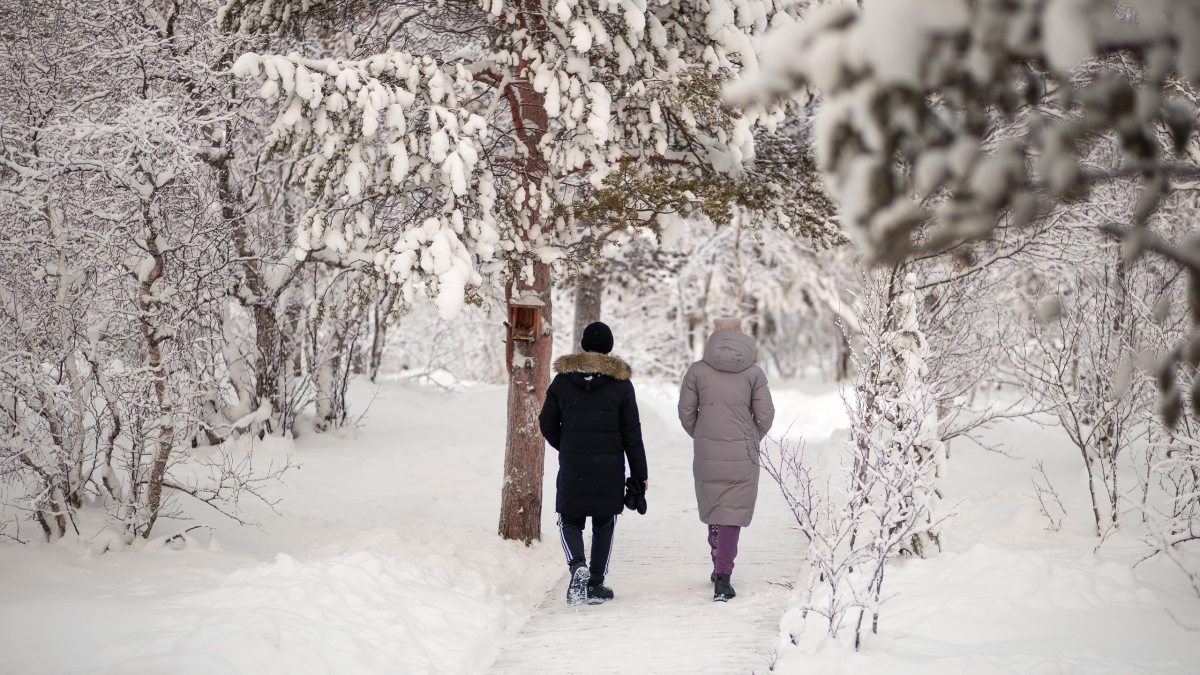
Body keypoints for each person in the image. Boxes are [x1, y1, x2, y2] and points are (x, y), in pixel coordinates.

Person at [539, 321, 649, 606]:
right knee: (604, 522)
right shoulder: (621, 385)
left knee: (570, 519)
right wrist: (640, 474)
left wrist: (567, 445)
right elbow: (632, 434)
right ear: (610, 347)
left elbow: (546, 422)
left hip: (573, 467)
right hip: (609, 468)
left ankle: (578, 567)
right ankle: (596, 584)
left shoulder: (563, 381)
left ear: (584, 345)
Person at [677, 317, 774, 602]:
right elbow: (766, 414)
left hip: (707, 451)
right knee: (731, 512)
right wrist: (751, 436)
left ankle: (718, 564)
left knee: (716, 508)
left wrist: (701, 433)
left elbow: (685, 412)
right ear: (741, 337)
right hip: (743, 453)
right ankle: (723, 577)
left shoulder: (696, 371)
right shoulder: (754, 373)